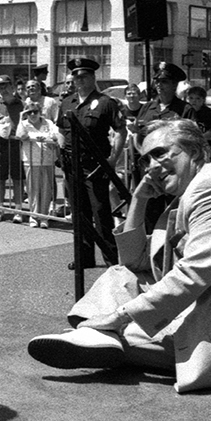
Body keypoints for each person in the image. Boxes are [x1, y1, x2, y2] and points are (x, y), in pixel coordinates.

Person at [27, 119, 211, 392]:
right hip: (204, 314)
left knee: (123, 331)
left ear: (194, 151)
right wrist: (138, 199)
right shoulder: (188, 194)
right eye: (145, 160)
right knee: (120, 276)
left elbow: (193, 274)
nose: (151, 167)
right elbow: (134, 262)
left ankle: (100, 337)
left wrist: (120, 316)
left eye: (160, 153)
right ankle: (99, 337)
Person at [56, 56, 125, 268]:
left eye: (84, 76)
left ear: (93, 77)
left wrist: (112, 159)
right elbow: (60, 130)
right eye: (76, 77)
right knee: (79, 214)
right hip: (71, 166)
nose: (79, 80)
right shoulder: (68, 102)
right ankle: (84, 257)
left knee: (100, 213)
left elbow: (121, 130)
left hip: (94, 167)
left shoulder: (106, 103)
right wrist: (61, 153)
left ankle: (111, 260)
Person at [18, 80, 62, 226]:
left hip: (47, 160)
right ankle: (33, 215)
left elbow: (56, 135)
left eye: (35, 111)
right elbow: (20, 135)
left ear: (40, 112)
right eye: (29, 112)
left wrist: (47, 138)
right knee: (32, 189)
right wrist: (20, 118)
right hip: (31, 160)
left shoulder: (48, 123)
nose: (32, 114)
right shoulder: (24, 124)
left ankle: (43, 216)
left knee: (46, 189)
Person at [0, 75, 27, 223]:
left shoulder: (22, 104)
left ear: (12, 87)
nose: (3, 89)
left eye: (6, 86)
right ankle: (0, 209)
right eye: (0, 87)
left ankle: (18, 210)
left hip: (17, 146)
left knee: (17, 178)